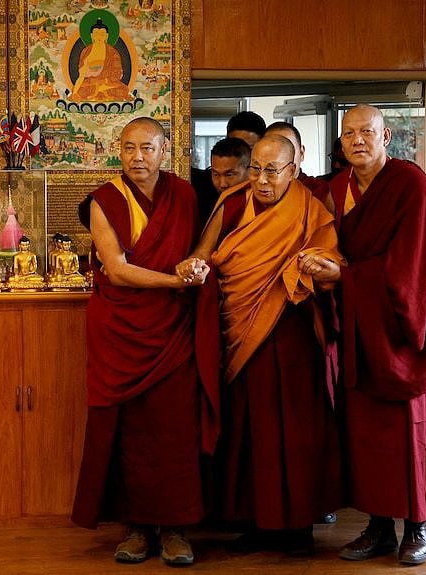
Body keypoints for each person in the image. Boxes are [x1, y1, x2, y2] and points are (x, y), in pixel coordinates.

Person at [298, 104, 426, 566]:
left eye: (366, 132)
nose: (357, 141)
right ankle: (378, 527)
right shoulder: (339, 189)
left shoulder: (411, 185)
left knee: (412, 432)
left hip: (410, 330)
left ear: (386, 135)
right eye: (348, 134)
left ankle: (418, 527)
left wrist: (345, 275)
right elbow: (324, 239)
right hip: (364, 329)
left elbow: (412, 268)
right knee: (368, 434)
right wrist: (320, 265)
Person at [181, 134, 343, 555]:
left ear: (293, 170)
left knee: (295, 430)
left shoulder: (310, 207)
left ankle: (299, 526)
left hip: (290, 329)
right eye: (256, 169)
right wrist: (193, 265)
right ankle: (258, 521)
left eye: (273, 171)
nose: (263, 180)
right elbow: (204, 253)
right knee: (249, 428)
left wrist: (316, 264)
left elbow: (333, 263)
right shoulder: (231, 203)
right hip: (239, 328)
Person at [71, 117, 216, 566]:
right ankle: (135, 528)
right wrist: (175, 281)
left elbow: (199, 249)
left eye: (147, 148)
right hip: (123, 330)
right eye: (130, 148)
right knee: (129, 431)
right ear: (120, 151)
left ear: (164, 149)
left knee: (174, 430)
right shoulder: (104, 201)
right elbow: (115, 269)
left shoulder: (185, 195)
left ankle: (175, 528)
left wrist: (194, 268)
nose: (138, 157)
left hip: (172, 330)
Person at [265, 121, 333, 208]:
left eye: (288, 150)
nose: (280, 158)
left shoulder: (319, 191)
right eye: (272, 150)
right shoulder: (256, 190)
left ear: (301, 153)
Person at [194, 137, 250, 227]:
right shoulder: (205, 203)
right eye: (216, 174)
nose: (222, 184)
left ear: (250, 171)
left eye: (229, 175)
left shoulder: (259, 203)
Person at [71, 18, 129, 102]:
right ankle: (99, 91)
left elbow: (118, 74)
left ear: (106, 36)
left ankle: (100, 91)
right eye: (96, 33)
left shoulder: (112, 52)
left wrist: (104, 81)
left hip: (107, 83)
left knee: (123, 89)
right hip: (91, 83)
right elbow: (81, 76)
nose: (99, 37)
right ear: (92, 35)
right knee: (79, 90)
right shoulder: (86, 52)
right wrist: (75, 93)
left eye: (102, 34)